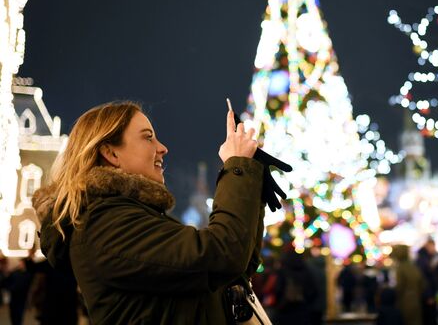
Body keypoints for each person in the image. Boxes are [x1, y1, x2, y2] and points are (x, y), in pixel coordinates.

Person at [32, 101, 266, 324]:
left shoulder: (127, 217)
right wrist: (238, 167)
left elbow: (234, 269)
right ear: (111, 154)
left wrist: (253, 184)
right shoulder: (104, 224)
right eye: (148, 137)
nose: (163, 148)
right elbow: (221, 254)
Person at [391, 244, 425, 325]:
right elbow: (422, 284)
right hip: (416, 300)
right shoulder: (413, 267)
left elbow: (399, 287)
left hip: (404, 302)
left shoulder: (401, 268)